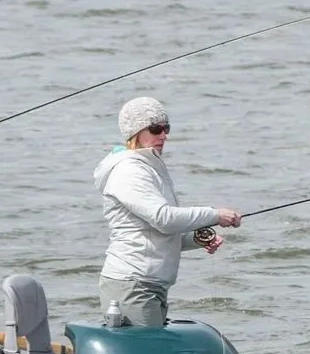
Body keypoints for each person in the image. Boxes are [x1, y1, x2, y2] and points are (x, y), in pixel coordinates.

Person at [93, 96, 242, 327]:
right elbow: (164, 219)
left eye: (166, 128)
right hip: (133, 284)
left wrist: (198, 238)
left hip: (151, 284)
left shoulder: (149, 168)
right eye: (155, 129)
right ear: (136, 132)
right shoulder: (129, 171)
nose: (164, 135)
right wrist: (215, 215)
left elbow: (156, 232)